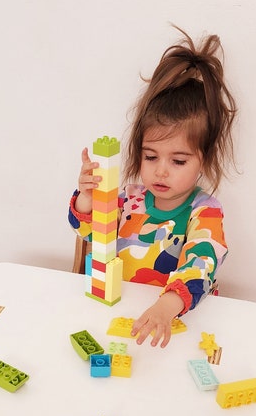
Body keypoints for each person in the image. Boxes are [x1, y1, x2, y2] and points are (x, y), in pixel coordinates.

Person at [68, 26, 237, 348]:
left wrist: (165, 307)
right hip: (120, 313)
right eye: (150, 156)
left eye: (178, 161)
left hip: (175, 318)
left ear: (204, 160)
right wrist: (89, 198)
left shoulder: (205, 211)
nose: (161, 171)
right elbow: (88, 232)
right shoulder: (129, 199)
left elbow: (201, 263)